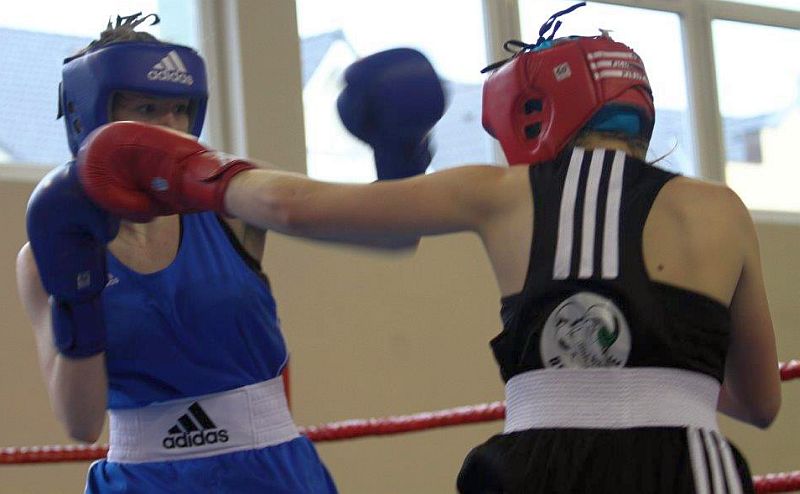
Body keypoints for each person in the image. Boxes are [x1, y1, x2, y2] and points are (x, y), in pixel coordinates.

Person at [69, 5, 780, 494]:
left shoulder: (503, 192)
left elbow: (295, 206)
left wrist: (187, 171)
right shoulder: (723, 208)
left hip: (540, 466)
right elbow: (759, 402)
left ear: (531, 109)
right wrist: (655, 375)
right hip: (696, 465)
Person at [16, 13, 444, 494]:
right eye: (147, 109)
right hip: (141, 480)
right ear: (87, 117)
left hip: (269, 474)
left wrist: (402, 156)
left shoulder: (230, 196)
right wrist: (77, 289)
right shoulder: (45, 253)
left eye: (180, 109)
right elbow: (81, 422)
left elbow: (390, 234)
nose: (170, 128)